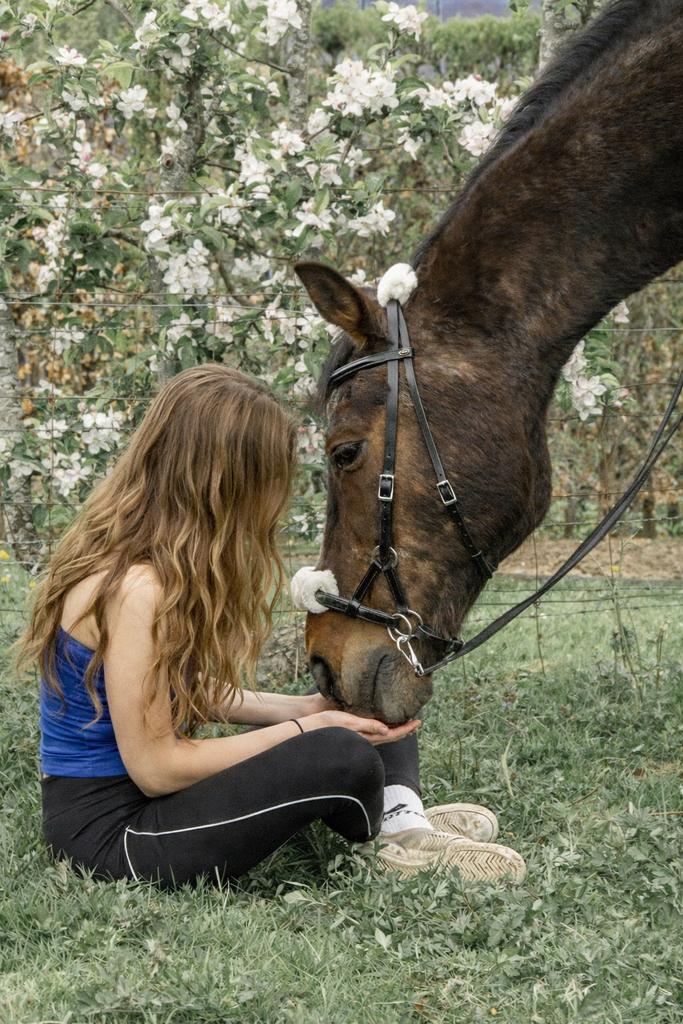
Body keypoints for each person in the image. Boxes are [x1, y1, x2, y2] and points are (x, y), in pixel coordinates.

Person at [19, 365, 525, 888]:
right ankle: (393, 833)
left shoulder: (151, 564)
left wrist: (306, 708)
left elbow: (172, 692)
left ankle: (403, 821)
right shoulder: (136, 589)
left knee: (359, 692)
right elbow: (157, 767)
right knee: (339, 752)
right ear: (225, 480)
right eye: (270, 477)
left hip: (152, 803)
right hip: (115, 835)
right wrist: (307, 729)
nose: (275, 498)